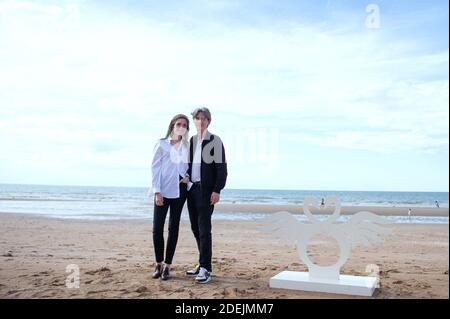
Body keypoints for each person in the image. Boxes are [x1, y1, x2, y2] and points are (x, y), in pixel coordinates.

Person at [185, 107, 227, 284]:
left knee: (204, 230)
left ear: (209, 121)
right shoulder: (192, 141)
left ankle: (206, 268)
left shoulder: (215, 141)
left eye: (204, 118)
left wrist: (217, 190)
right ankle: (201, 262)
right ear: (193, 121)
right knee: (195, 228)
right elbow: (187, 165)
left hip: (206, 191)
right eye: (197, 118)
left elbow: (222, 169)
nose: (200, 121)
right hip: (191, 190)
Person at [150, 114, 190, 281]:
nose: (181, 126)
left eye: (185, 125)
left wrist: (187, 177)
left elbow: (190, 167)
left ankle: (168, 266)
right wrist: (157, 191)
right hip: (163, 190)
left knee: (174, 228)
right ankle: (158, 263)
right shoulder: (161, 144)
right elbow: (154, 168)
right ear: (173, 125)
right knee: (157, 228)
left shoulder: (187, 147)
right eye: (178, 123)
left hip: (180, 191)